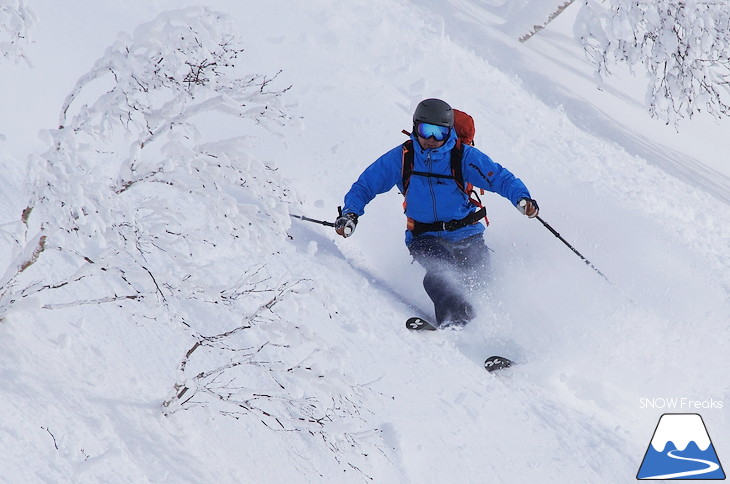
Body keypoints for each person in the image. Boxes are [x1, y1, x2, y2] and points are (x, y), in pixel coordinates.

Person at [335, 98, 538, 328]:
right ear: (415, 128)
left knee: (483, 285)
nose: (431, 139)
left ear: (448, 132)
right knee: (441, 274)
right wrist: (350, 213)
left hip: (467, 233)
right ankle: (458, 327)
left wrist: (522, 198)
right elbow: (366, 185)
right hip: (424, 236)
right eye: (426, 130)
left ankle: (504, 333)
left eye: (439, 133)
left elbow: (499, 177)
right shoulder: (403, 157)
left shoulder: (462, 156)